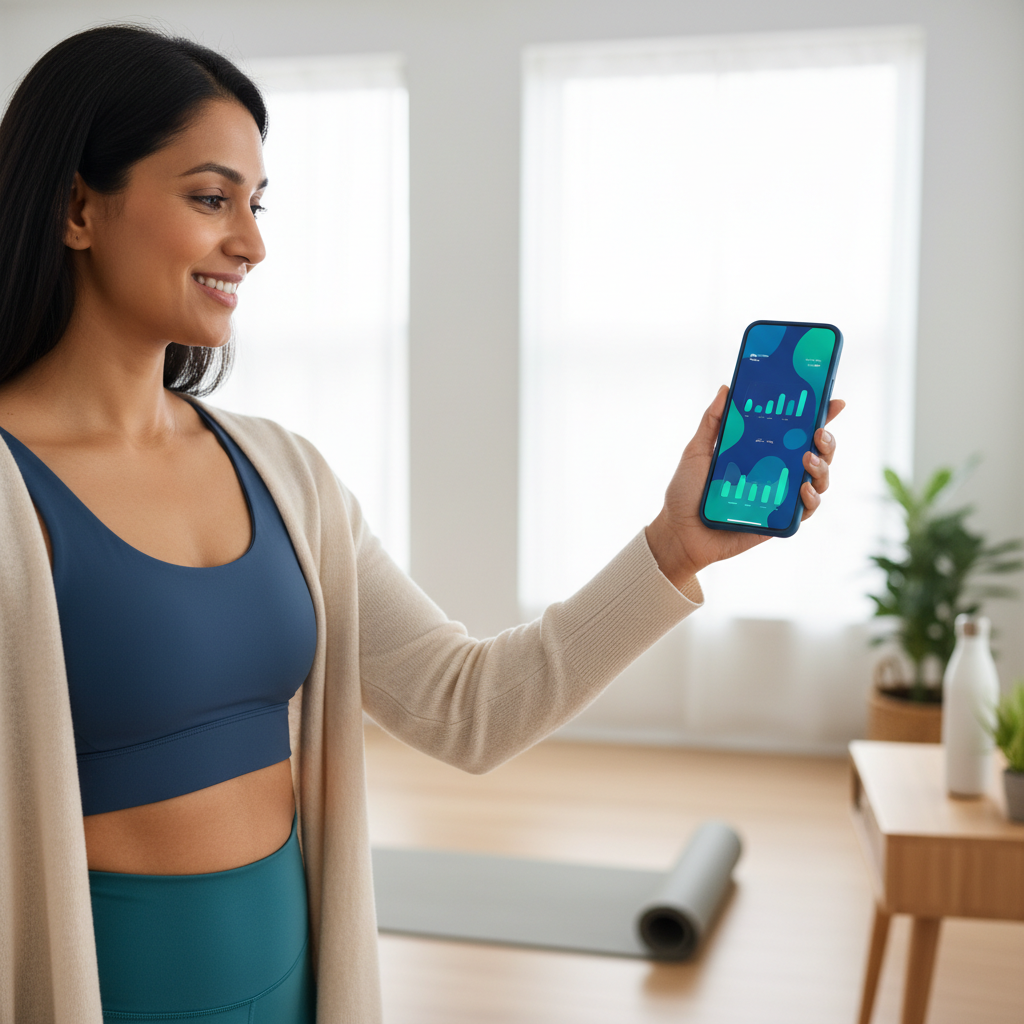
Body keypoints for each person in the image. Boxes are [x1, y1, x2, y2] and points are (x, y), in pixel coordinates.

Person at [0, 24, 843, 1024]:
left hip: (289, 988)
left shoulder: (288, 478)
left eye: (256, 205)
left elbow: (470, 708)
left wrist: (674, 545)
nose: (252, 242)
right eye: (209, 197)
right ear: (77, 208)